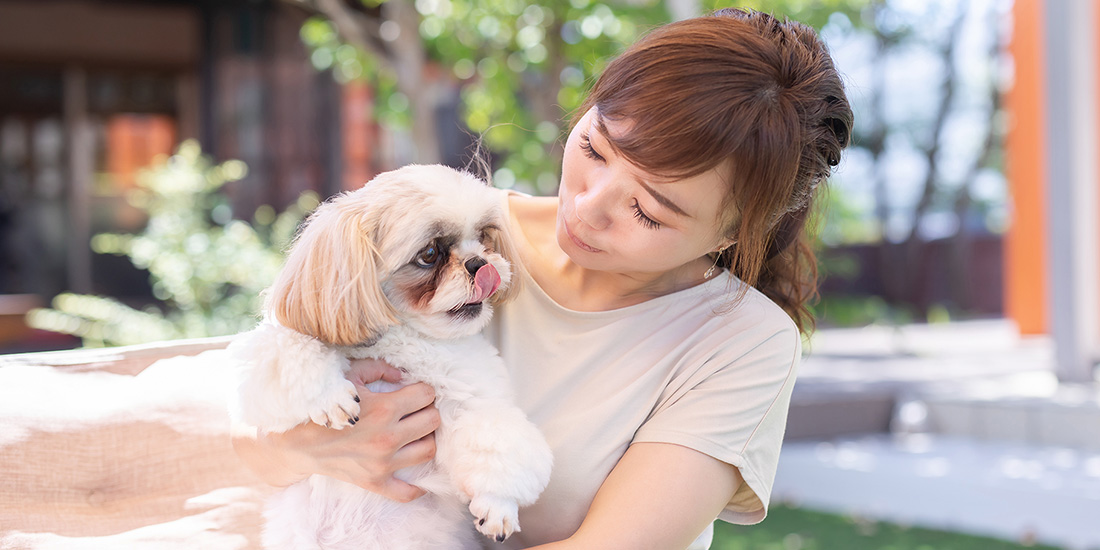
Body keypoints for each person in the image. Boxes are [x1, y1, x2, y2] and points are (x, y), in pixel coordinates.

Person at [232, 7, 852, 549]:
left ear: (730, 235)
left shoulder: (741, 341)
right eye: (595, 150)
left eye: (648, 210)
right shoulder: (461, 229)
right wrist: (307, 448)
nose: (586, 207)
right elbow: (248, 440)